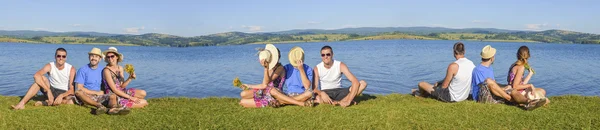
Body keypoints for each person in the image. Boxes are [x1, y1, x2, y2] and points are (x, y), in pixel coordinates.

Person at [239, 44, 314, 108]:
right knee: (243, 96)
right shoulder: (286, 67)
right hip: (269, 92)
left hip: (274, 92)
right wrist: (248, 86)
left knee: (309, 93)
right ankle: (280, 101)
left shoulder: (281, 68)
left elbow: (307, 86)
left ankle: (287, 102)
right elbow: (264, 85)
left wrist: (301, 69)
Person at [11, 48, 76, 110]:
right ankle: (22, 103)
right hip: (51, 89)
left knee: (71, 101)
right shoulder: (50, 65)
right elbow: (36, 76)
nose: (61, 58)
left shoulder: (71, 69)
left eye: (63, 56)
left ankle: (47, 102)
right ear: (55, 57)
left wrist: (61, 95)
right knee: (41, 79)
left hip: (63, 92)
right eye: (59, 56)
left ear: (66, 58)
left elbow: (72, 90)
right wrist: (48, 91)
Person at [74, 48, 129, 115]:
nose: (94, 58)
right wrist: (96, 93)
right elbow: (79, 88)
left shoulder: (102, 69)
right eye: (92, 56)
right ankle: (99, 106)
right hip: (87, 95)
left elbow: (107, 85)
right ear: (89, 57)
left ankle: (114, 109)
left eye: (96, 56)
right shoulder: (82, 70)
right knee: (78, 92)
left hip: (100, 96)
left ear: (100, 59)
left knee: (112, 96)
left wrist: (122, 76)